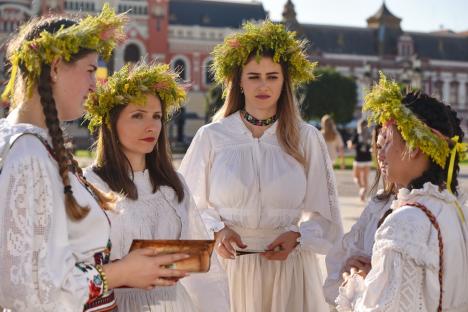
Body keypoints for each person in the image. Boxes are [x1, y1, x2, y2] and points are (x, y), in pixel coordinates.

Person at [0, 6, 189, 312]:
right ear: (57, 67)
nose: (94, 83)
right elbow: (24, 290)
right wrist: (121, 272)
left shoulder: (35, 146)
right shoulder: (27, 154)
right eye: (90, 69)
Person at [179, 20, 343, 312]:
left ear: (284, 81)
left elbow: (326, 213)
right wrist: (217, 231)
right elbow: (186, 205)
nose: (264, 85)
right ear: (239, 82)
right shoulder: (212, 136)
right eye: (254, 76)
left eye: (272, 76)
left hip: (290, 271)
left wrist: (297, 237)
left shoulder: (307, 138)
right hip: (228, 273)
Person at [83, 62, 229, 312]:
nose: (151, 126)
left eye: (157, 116)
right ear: (111, 122)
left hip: (176, 304)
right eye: (137, 115)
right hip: (119, 305)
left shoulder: (174, 185)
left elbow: (204, 272)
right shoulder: (91, 185)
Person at [336, 73, 468, 311]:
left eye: (387, 140)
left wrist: (354, 282)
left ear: (414, 147)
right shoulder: (452, 208)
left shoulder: (404, 221)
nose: (380, 152)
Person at [323, 125, 397, 306]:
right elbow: (341, 259)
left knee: (362, 177)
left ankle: (362, 188)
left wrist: (373, 273)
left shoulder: (421, 211)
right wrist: (351, 266)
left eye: (389, 144)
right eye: (378, 147)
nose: (380, 155)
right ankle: (362, 189)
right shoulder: (378, 204)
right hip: (362, 298)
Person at [348, 118, 373, 201]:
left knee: (356, 177)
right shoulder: (370, 135)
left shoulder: (357, 135)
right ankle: (364, 191)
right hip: (368, 159)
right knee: (365, 178)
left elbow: (351, 146)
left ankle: (361, 188)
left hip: (358, 159)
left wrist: (349, 143)